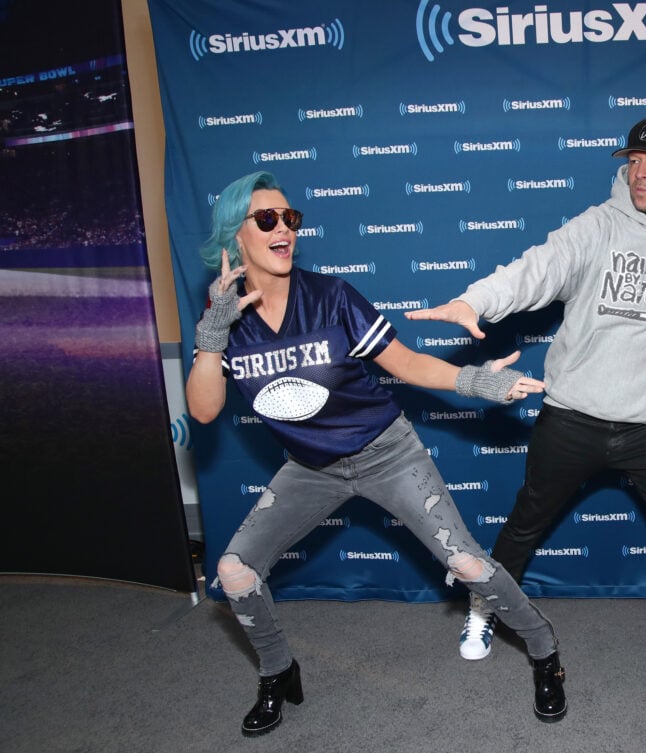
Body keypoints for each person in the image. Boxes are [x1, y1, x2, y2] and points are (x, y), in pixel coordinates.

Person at [406, 115, 646, 685]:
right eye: (632, 161)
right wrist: (477, 301)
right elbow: (536, 269)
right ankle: (486, 604)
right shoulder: (597, 227)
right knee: (524, 522)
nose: (639, 172)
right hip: (574, 417)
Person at [185, 171, 568, 737]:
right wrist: (211, 337)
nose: (283, 229)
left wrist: (478, 384)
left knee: (466, 563)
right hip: (310, 468)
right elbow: (204, 411)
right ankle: (277, 671)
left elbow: (407, 365)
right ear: (233, 238)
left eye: (290, 219)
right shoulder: (227, 321)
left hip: (387, 452)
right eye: (266, 220)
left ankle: (544, 650)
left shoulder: (331, 297)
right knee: (234, 571)